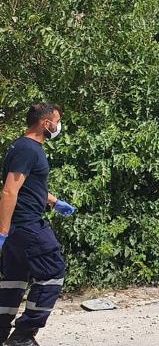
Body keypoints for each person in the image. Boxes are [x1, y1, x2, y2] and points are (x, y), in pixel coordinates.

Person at [0, 103, 77, 346]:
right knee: (52, 272)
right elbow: (9, 191)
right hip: (27, 224)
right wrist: (3, 230)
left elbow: (29, 186)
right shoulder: (28, 149)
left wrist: (54, 202)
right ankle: (23, 336)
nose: (58, 125)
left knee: (15, 277)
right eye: (57, 120)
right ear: (46, 123)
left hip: (19, 226)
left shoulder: (23, 146)